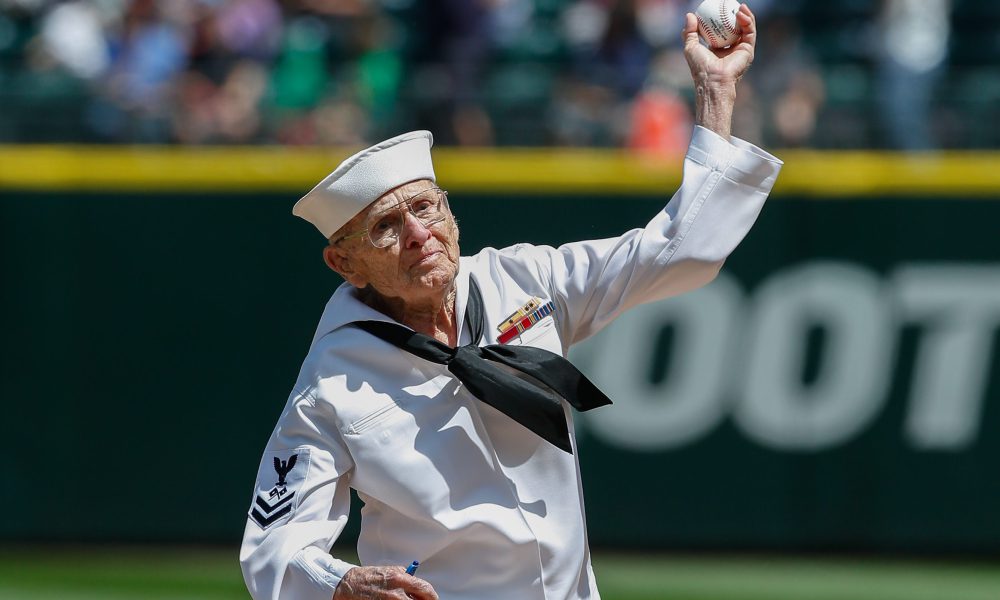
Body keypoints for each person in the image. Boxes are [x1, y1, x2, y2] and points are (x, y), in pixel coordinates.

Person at [240, 5, 780, 599]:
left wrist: (715, 89)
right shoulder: (332, 383)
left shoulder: (524, 280)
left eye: (426, 207)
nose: (420, 233)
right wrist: (343, 582)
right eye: (387, 227)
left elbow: (678, 251)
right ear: (343, 263)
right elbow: (274, 546)